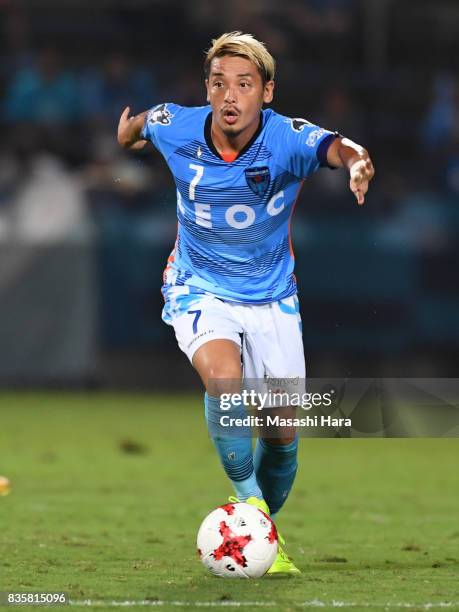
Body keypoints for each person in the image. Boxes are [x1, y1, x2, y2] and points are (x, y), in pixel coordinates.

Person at [117, 31, 374, 574]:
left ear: (267, 91)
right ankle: (250, 509)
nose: (229, 96)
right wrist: (128, 134)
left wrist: (356, 161)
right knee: (224, 382)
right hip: (197, 285)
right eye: (218, 84)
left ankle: (260, 530)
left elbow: (336, 147)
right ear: (206, 90)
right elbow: (140, 127)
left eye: (243, 84)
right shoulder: (177, 125)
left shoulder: (286, 140)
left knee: (281, 436)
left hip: (271, 298)